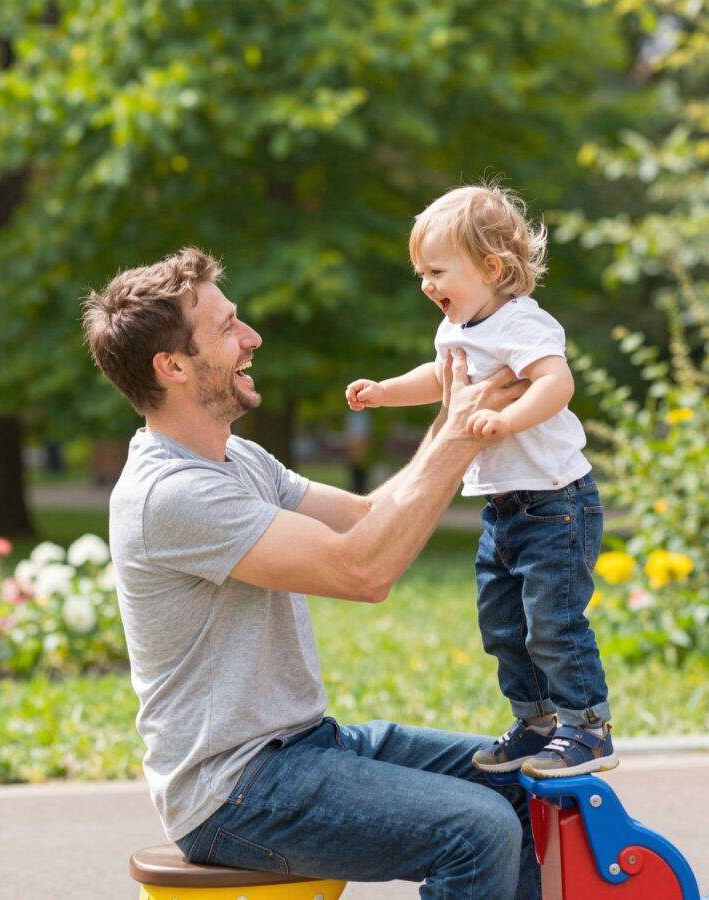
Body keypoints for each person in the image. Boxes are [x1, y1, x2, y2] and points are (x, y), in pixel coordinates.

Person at [81, 247, 540, 900]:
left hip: (306, 747)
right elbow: (364, 571)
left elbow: (363, 518)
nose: (251, 338)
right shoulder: (173, 494)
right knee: (478, 828)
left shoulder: (237, 458)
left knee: (518, 785)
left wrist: (448, 423)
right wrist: (461, 439)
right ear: (173, 366)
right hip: (234, 789)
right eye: (227, 328)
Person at [345, 183, 616, 778]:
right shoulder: (457, 330)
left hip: (555, 503)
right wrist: (386, 392)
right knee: (501, 622)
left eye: (437, 270)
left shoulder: (523, 323)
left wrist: (505, 417)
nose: (426, 285)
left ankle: (587, 726)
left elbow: (555, 384)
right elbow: (438, 377)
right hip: (503, 509)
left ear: (490, 267)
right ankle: (536, 721)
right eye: (420, 273)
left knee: (552, 620)